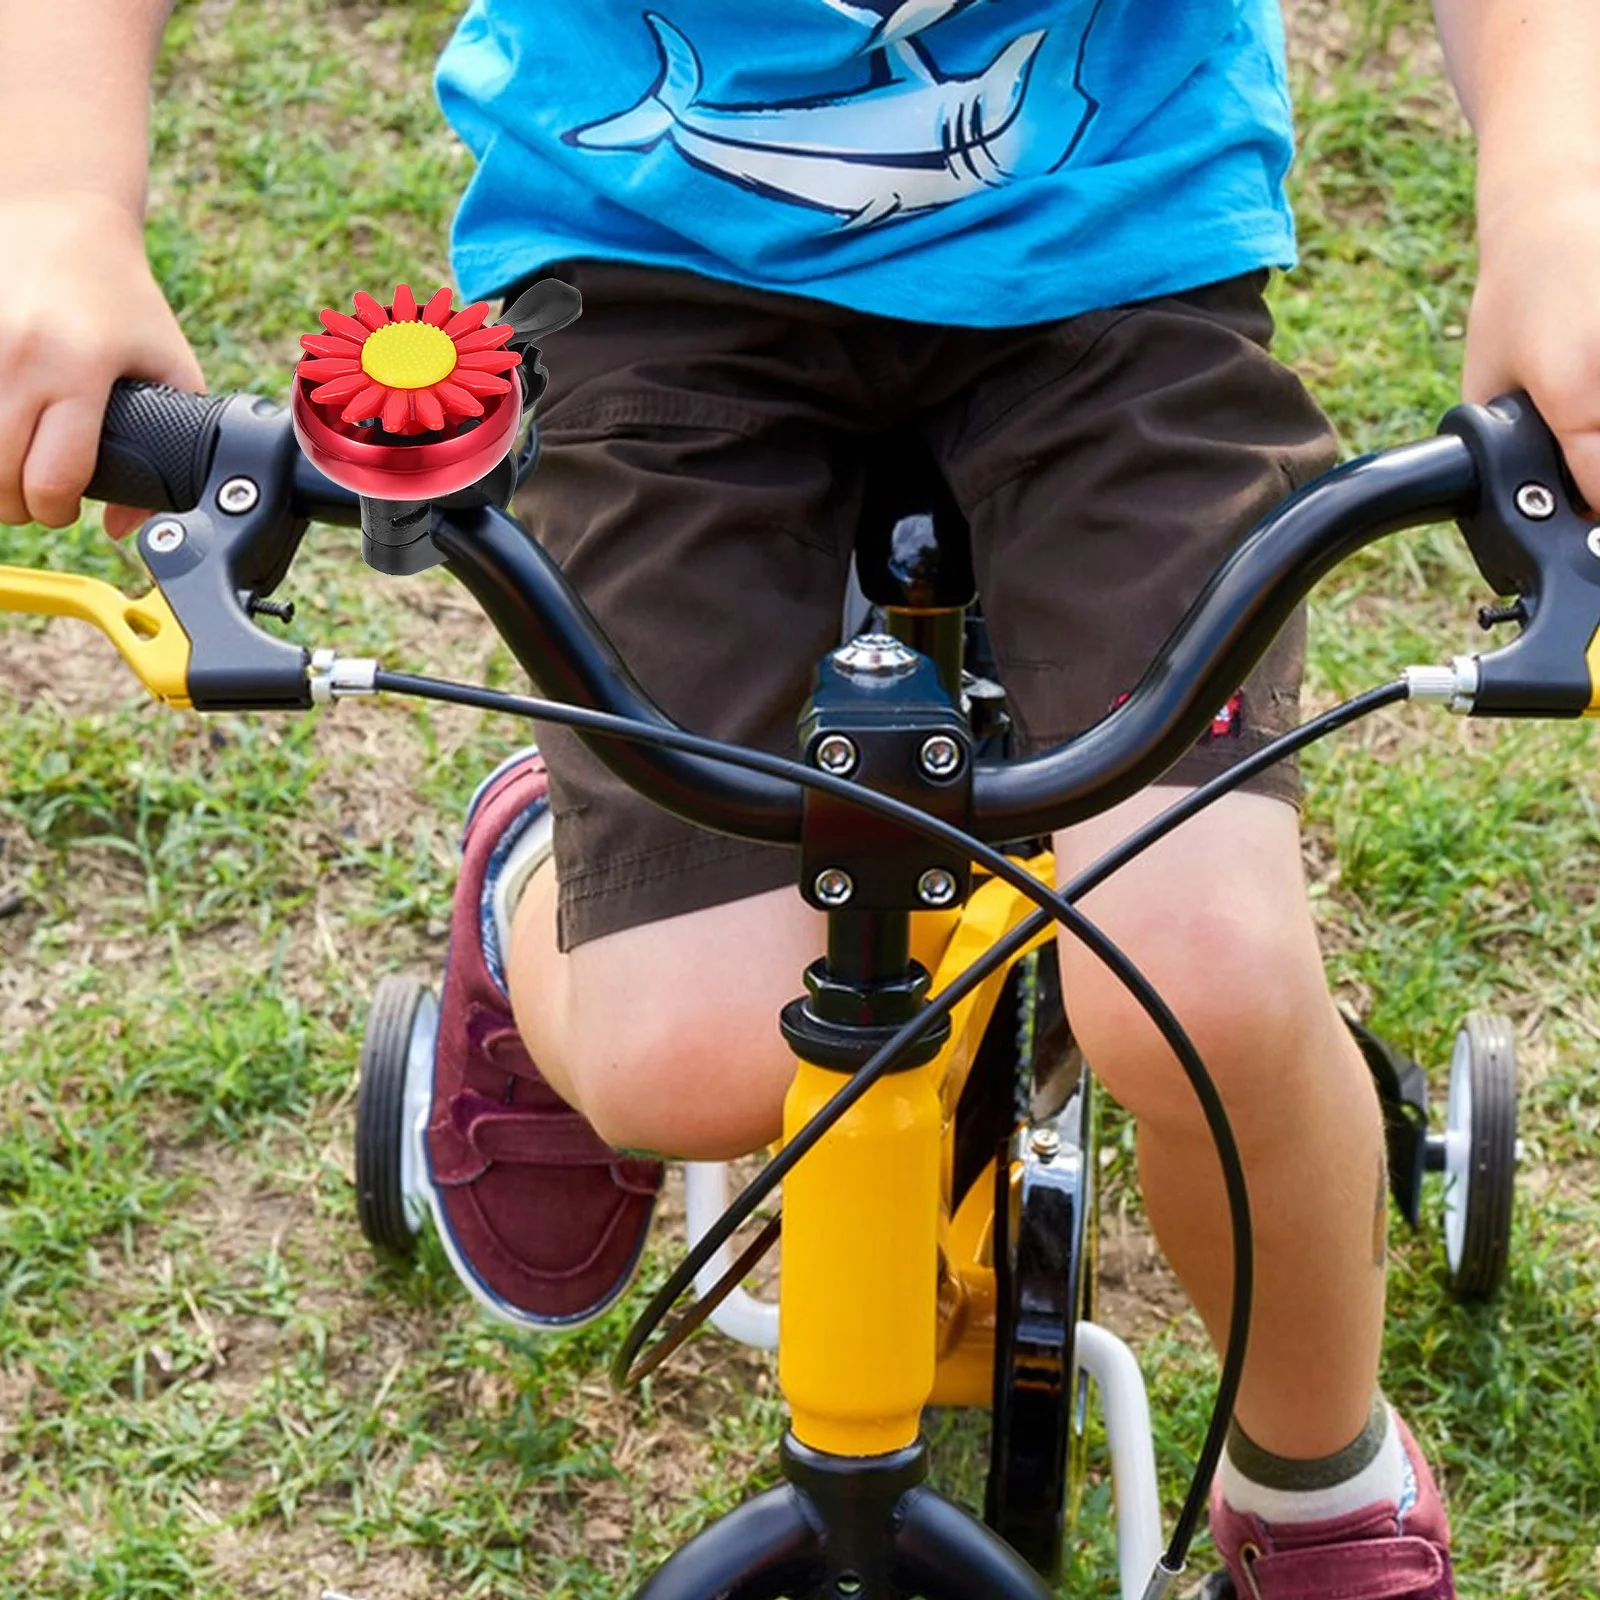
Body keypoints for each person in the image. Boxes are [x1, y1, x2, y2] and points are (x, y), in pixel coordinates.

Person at [3, 4, 1596, 1594]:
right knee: (686, 1055)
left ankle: (1318, 1480)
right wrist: (54, 202)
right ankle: (534, 872)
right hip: (650, 275)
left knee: (1211, 981)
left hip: (1116, 267)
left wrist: (1559, 193)